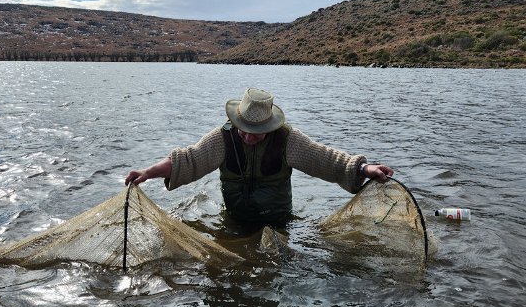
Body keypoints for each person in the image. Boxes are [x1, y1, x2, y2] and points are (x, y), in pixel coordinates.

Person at [126, 88, 393, 227]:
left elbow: (327, 160)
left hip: (277, 220)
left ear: (270, 127)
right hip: (235, 219)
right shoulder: (223, 138)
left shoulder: (288, 140)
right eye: (244, 130)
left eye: (257, 133)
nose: (248, 137)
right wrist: (148, 173)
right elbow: (188, 160)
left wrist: (365, 168)